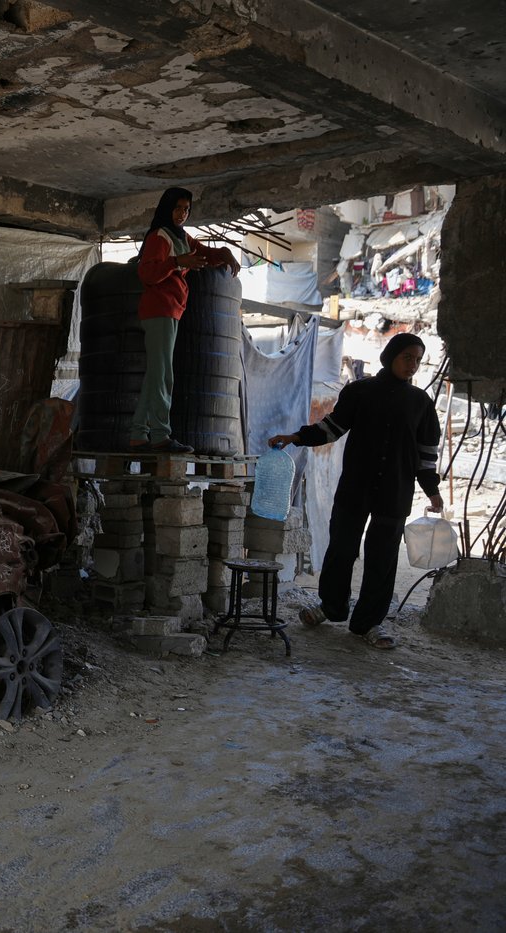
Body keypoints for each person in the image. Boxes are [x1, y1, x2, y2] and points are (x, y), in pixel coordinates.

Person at [267, 333, 444, 649]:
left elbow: (426, 454)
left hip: (395, 492)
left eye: (418, 360)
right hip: (356, 487)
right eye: (407, 357)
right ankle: (331, 607)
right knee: (342, 548)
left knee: (383, 557)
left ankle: (369, 623)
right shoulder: (359, 392)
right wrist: (296, 437)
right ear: (390, 356)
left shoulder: (421, 403)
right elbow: (331, 428)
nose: (413, 365)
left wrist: (432, 491)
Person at [130, 187, 240, 453]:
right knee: (163, 375)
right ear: (167, 208)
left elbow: (203, 254)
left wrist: (224, 252)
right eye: (178, 208)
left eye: (187, 209)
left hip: (171, 310)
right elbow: (147, 273)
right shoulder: (159, 237)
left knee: (156, 374)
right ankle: (160, 435)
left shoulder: (181, 237)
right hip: (159, 309)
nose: (182, 214)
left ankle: (138, 435)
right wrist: (177, 261)